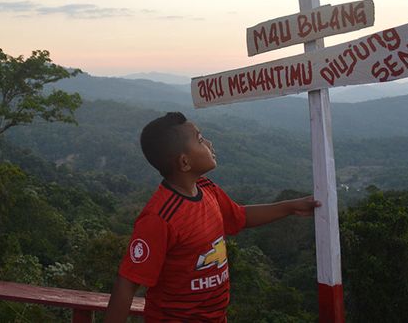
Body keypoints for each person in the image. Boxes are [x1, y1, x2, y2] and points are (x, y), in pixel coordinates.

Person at [104, 112, 320, 322]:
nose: (208, 143)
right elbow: (127, 284)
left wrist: (291, 207)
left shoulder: (207, 189)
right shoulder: (159, 217)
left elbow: (240, 216)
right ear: (185, 162)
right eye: (200, 140)